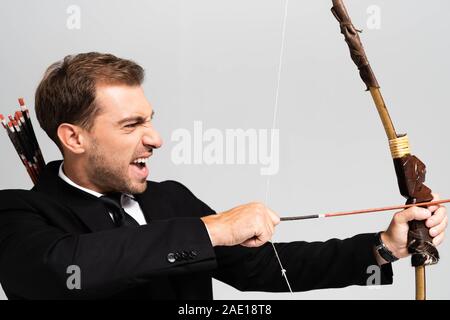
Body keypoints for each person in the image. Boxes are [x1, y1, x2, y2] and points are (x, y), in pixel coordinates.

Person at [0, 52, 446, 299]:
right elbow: (61, 269)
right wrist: (213, 228)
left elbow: (267, 269)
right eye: (131, 125)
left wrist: (384, 247)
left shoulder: (169, 201)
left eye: (150, 120)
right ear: (73, 138)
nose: (156, 139)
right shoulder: (20, 214)